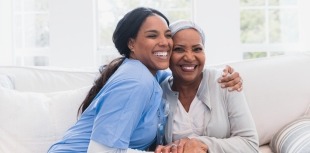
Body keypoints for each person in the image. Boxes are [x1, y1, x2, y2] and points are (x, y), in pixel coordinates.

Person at [48, 7, 242, 153]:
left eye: (167, 35)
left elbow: (184, 74)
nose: (164, 42)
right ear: (131, 44)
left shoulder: (153, 74)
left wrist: (220, 77)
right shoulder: (136, 80)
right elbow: (102, 151)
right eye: (152, 36)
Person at [155, 20, 259, 153]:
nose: (189, 57)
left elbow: (250, 144)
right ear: (167, 54)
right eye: (179, 49)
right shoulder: (159, 93)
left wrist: (202, 144)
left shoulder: (225, 82)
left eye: (197, 49)